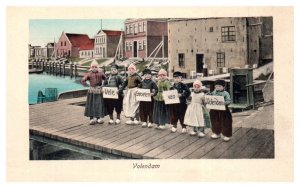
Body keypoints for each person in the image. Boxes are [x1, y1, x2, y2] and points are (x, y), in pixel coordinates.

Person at [81, 60, 106, 125]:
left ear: (97, 67)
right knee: (91, 104)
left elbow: (106, 79)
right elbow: (83, 80)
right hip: (92, 91)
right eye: (93, 67)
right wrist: (87, 85)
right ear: (91, 67)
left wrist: (103, 86)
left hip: (99, 90)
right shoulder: (88, 74)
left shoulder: (101, 73)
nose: (94, 68)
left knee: (99, 104)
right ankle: (91, 119)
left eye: (95, 67)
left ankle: (98, 118)